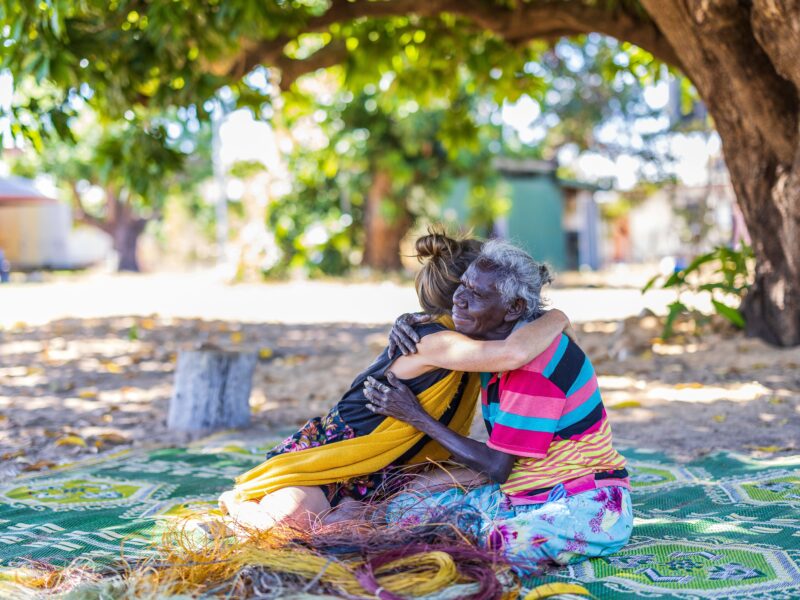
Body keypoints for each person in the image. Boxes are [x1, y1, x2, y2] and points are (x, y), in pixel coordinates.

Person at [218, 230, 572, 532]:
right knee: (289, 525)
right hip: (333, 462)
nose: (469, 296)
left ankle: (349, 514)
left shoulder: (461, 338)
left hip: (386, 470)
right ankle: (239, 507)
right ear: (457, 295)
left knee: (482, 475)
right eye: (469, 287)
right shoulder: (439, 341)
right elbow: (513, 352)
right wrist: (557, 315)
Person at [363, 239, 632, 574]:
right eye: (462, 285)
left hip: (587, 504)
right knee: (404, 511)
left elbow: (496, 466)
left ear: (514, 308)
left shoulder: (534, 365)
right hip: (523, 494)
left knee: (500, 545)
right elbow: (447, 327)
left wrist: (415, 415)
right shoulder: (497, 340)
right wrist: (410, 320)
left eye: (476, 294)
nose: (459, 299)